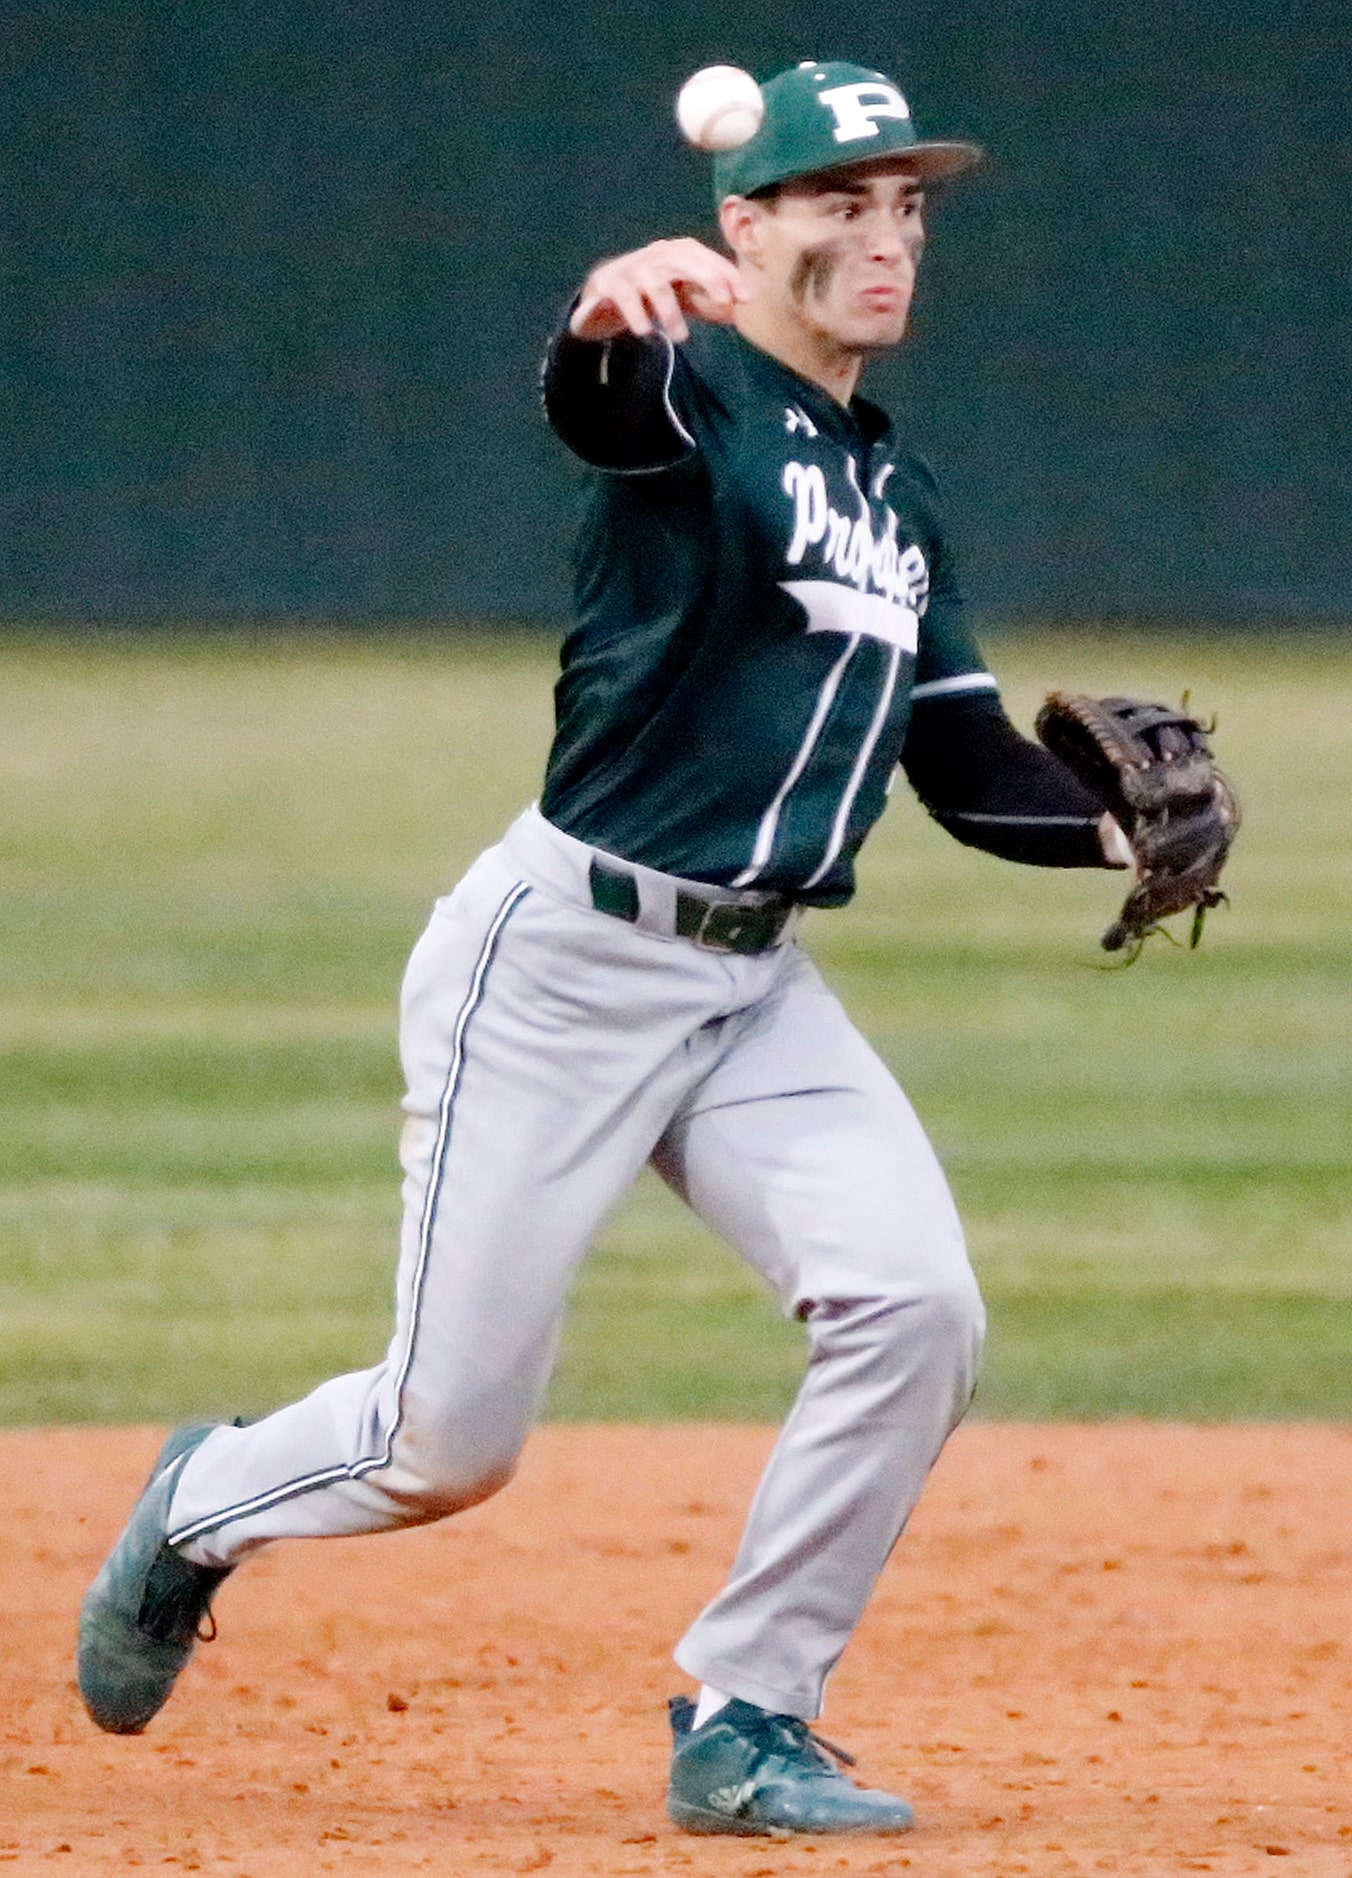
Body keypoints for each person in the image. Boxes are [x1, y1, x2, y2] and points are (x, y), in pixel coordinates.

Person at [78, 60, 1130, 1838]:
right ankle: (202, 1500)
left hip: (756, 984)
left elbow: (962, 771)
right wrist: (603, 314)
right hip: (562, 961)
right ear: (748, 226)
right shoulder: (693, 391)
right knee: (442, 1448)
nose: (886, 240)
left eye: (908, 208)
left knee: (914, 1308)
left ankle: (749, 1713)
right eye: (839, 203)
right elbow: (601, 410)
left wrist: (1114, 829)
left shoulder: (899, 497)